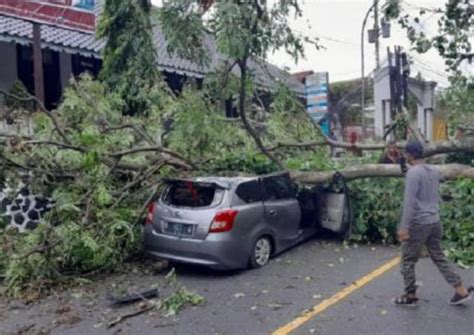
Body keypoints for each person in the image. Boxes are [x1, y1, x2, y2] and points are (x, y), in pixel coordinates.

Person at [395, 140, 471, 306]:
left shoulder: (413, 174)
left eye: (406, 153)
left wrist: (404, 227)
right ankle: (460, 290)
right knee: (438, 256)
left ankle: (410, 295)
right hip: (434, 221)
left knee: (407, 260)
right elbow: (425, 179)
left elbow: (410, 203)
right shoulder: (434, 170)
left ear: (410, 155)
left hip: (418, 223)